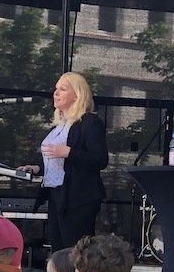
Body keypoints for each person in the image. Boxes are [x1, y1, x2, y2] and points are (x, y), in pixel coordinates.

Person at [19, 73, 108, 254]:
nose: (56, 93)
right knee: (58, 251)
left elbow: (100, 159)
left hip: (79, 197)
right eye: (56, 89)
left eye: (63, 89)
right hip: (57, 194)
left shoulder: (89, 122)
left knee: (75, 251)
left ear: (77, 95)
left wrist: (68, 152)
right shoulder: (58, 126)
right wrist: (37, 168)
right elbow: (56, 161)